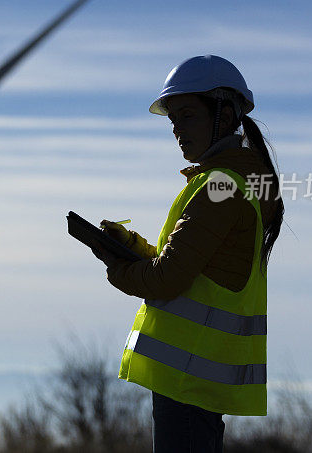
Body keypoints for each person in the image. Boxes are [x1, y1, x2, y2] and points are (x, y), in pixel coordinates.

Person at [91, 55, 284, 453]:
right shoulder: (239, 181)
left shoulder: (220, 187)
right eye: (172, 119)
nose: (177, 129)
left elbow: (169, 279)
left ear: (225, 114)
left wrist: (116, 266)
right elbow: (188, 264)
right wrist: (131, 249)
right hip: (197, 378)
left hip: (187, 379)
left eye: (188, 115)